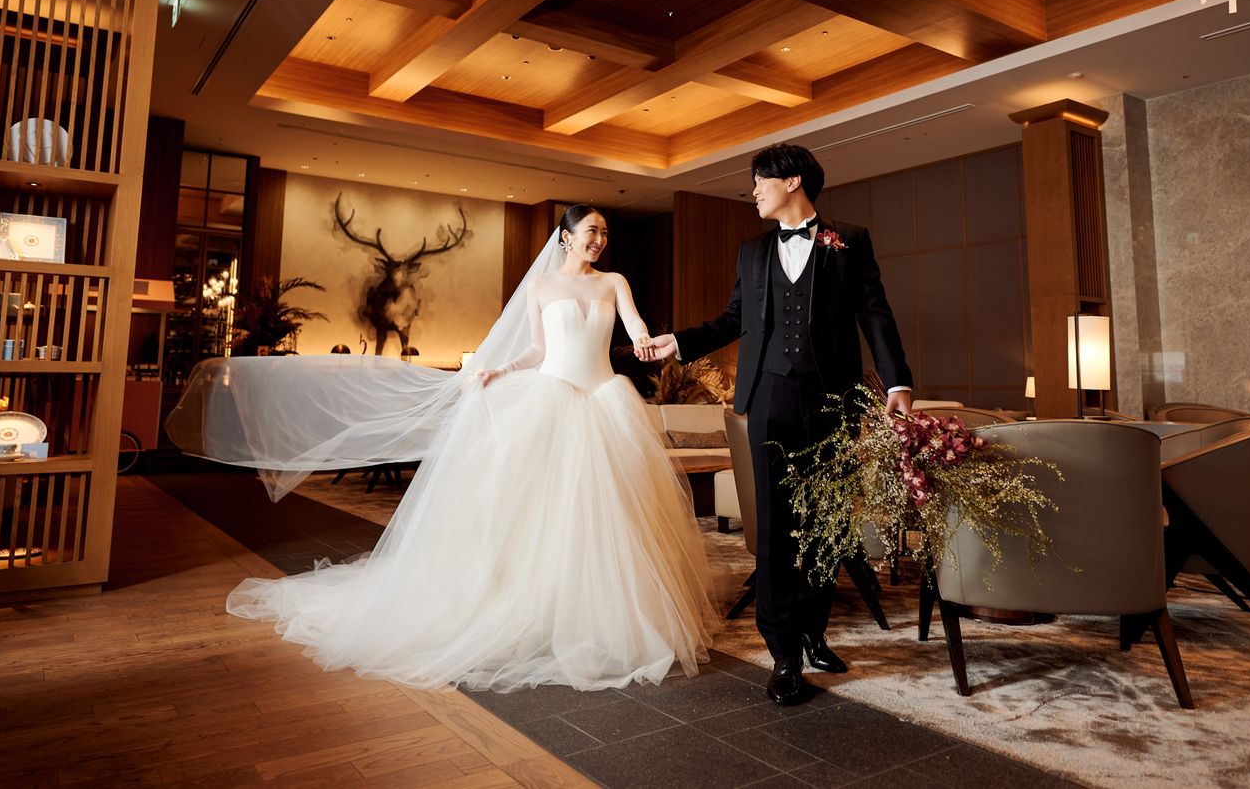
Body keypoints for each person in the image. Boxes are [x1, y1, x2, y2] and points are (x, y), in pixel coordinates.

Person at [171, 205, 718, 692]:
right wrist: (502, 369)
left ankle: (604, 611)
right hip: (551, 399)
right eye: (591, 231)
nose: (599, 240)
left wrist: (647, 343)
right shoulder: (541, 287)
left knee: (611, 515)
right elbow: (537, 349)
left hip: (603, 402)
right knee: (537, 514)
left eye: (604, 233)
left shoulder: (614, 282)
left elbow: (635, 327)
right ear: (566, 237)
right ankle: (534, 608)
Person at [641, 143, 913, 706]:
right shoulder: (753, 251)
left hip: (832, 399)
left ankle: (814, 631)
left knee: (828, 521)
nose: (754, 192)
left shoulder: (849, 240)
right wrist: (680, 342)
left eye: (760, 181)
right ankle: (784, 651)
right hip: (768, 397)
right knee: (775, 523)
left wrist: (897, 384)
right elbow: (734, 319)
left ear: (792, 181)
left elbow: (875, 314)